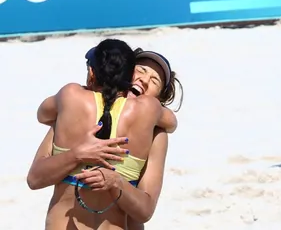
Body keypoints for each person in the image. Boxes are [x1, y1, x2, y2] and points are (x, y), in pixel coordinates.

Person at [27, 43, 183, 229]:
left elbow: (145, 211)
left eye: (155, 80)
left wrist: (116, 182)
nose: (145, 80)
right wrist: (76, 154)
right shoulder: (70, 112)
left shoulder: (156, 135)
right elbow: (34, 179)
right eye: (140, 70)